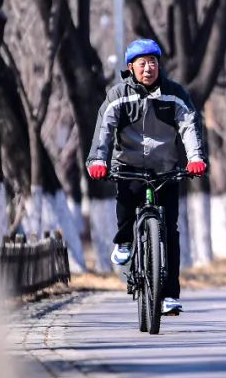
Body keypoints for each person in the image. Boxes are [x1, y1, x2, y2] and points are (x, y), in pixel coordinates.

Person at [86, 38, 207, 315]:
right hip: (128, 166)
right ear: (131, 67)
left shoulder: (174, 93)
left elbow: (189, 126)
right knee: (127, 206)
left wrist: (196, 158)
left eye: (153, 62)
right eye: (143, 63)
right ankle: (125, 241)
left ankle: (169, 296)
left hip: (165, 169)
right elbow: (104, 130)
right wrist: (97, 161)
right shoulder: (118, 96)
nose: (149, 68)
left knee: (171, 232)